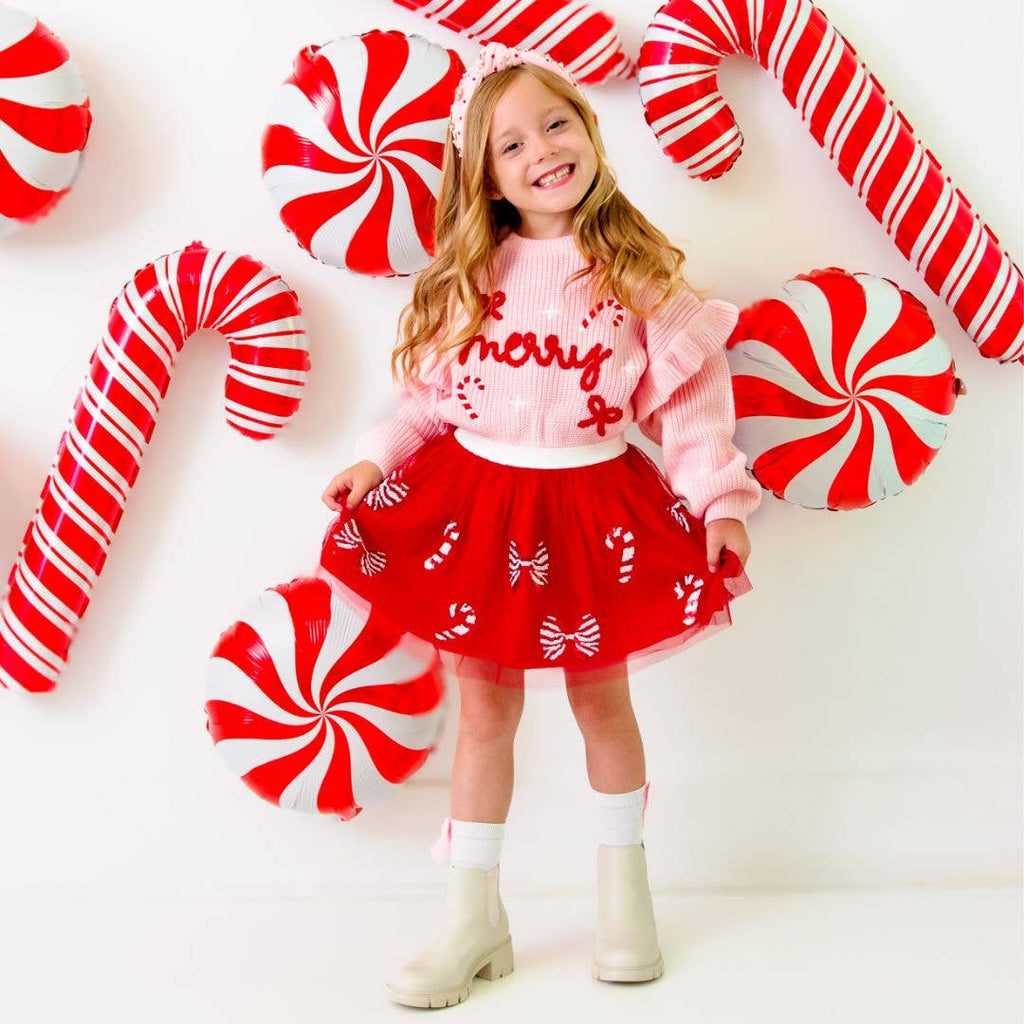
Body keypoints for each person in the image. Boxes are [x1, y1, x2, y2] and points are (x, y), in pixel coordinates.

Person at [319, 41, 761, 1009]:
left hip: (593, 512)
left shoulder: (635, 274)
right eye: (510, 144)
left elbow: (688, 410)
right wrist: (372, 457)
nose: (541, 151)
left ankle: (623, 895)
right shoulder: (471, 275)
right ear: (484, 175)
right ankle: (471, 916)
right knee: (485, 712)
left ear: (592, 131)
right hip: (478, 511)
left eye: (556, 123)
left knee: (602, 703)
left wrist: (719, 499)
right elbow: (432, 401)